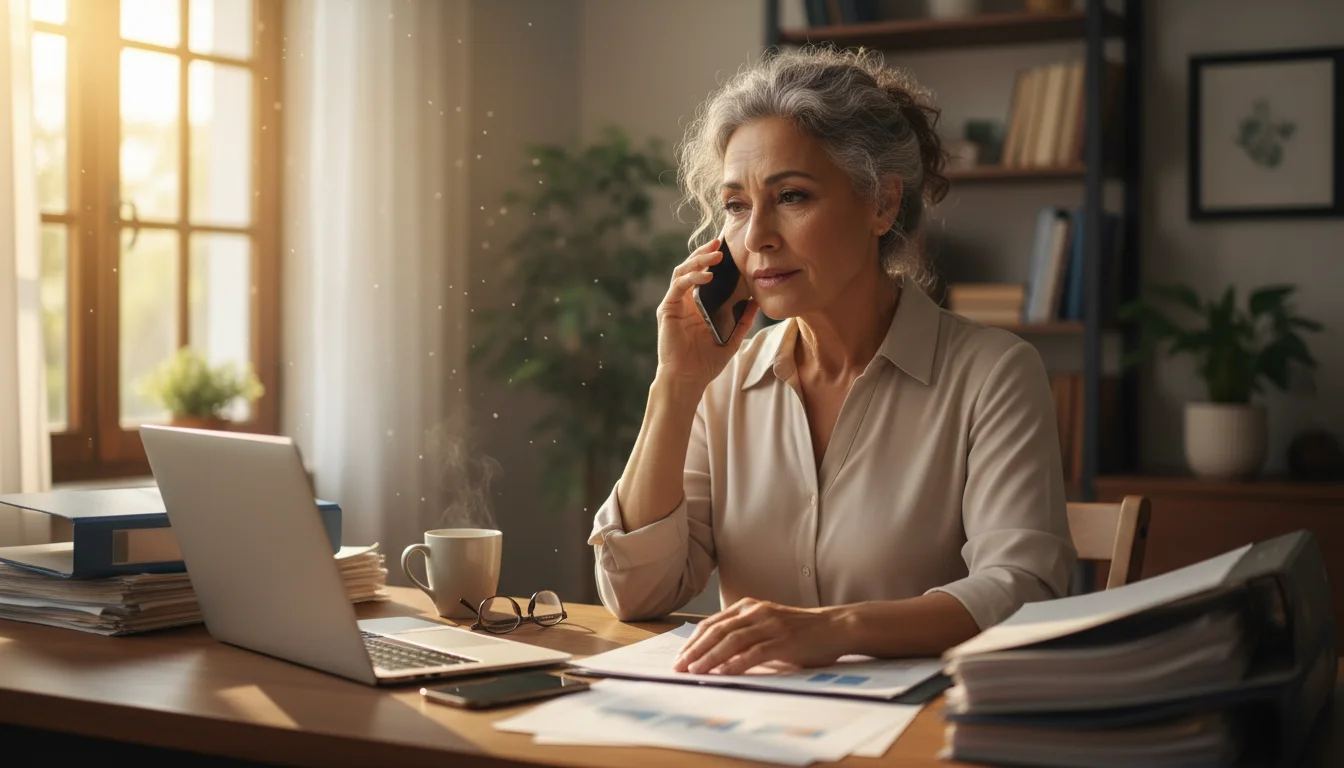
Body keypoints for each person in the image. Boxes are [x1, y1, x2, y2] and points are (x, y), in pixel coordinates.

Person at [587, 47, 1076, 676]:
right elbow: (637, 594)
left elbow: (1022, 591)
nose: (758, 234)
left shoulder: (994, 375)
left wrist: (834, 630)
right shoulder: (724, 379)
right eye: (736, 205)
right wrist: (676, 384)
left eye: (790, 196)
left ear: (881, 205)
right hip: (748, 731)